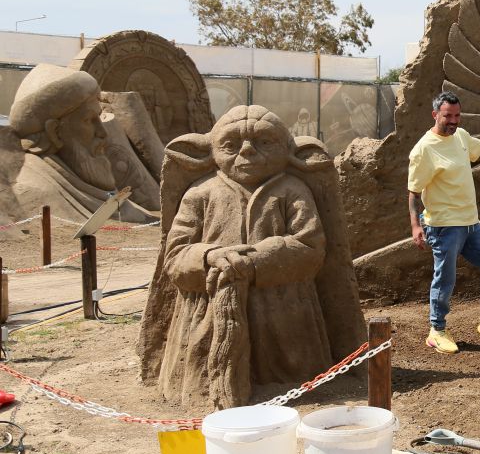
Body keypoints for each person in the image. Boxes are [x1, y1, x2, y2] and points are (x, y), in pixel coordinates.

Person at [151, 105, 364, 408]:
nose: (247, 152)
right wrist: (211, 256)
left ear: (290, 150)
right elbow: (174, 256)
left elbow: (311, 248)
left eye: (264, 143)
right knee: (206, 359)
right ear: (208, 151)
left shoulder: (293, 190)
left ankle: (285, 387)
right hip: (208, 311)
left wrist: (254, 261)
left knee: (291, 375)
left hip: (284, 313)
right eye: (231, 145)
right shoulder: (200, 193)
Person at [408, 91, 480, 354]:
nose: (453, 120)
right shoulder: (423, 150)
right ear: (435, 115)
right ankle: (436, 331)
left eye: (457, 115)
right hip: (443, 227)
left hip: (471, 224)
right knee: (445, 278)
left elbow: (479, 146)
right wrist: (416, 226)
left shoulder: (460, 137)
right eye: (447, 116)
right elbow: (414, 192)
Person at [9, 63, 155, 222]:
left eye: (99, 118)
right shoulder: (32, 191)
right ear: (55, 132)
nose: (103, 133)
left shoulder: (87, 184)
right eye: (88, 120)